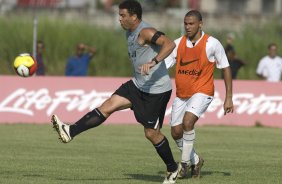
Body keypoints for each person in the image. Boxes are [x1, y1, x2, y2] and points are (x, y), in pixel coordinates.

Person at [51, 1, 182, 184]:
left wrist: (153, 61)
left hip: (156, 91)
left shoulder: (146, 31)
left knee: (151, 134)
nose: (119, 19)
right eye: (119, 15)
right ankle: (70, 131)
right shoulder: (129, 33)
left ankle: (173, 168)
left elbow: (169, 44)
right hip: (137, 85)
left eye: (122, 15)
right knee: (108, 106)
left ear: (134, 16)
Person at [165, 10, 234, 179]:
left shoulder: (212, 43)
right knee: (175, 132)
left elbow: (225, 67)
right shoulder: (177, 43)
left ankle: (183, 165)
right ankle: (196, 159)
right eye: (186, 24)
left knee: (188, 122)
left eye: (191, 24)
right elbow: (164, 65)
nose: (188, 27)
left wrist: (229, 97)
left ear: (200, 24)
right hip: (182, 94)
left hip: (203, 91)